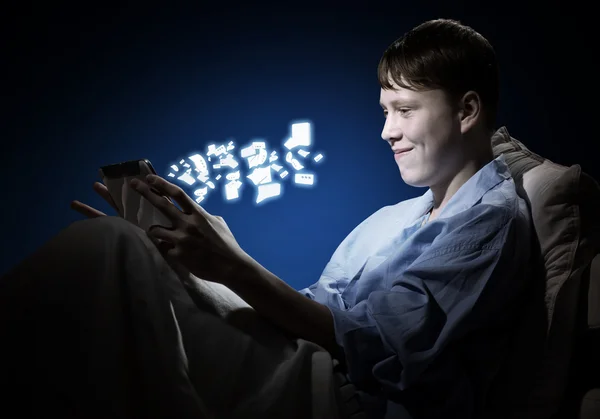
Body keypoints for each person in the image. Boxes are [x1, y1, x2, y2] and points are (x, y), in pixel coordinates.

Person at [0, 18, 532, 419]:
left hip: (340, 394)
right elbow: (309, 310)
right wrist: (202, 261)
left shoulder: (489, 222)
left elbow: (364, 346)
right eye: (384, 112)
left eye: (405, 110)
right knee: (120, 251)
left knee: (110, 250)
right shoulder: (393, 220)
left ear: (466, 111)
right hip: (299, 352)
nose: (388, 131)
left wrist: (230, 265)